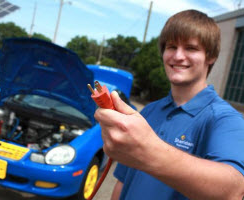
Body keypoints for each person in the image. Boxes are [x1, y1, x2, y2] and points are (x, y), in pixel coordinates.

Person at [94, 9, 244, 200]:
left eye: (191, 48)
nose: (178, 56)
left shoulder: (225, 119)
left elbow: (234, 189)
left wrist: (148, 151)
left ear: (211, 56)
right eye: (172, 47)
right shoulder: (148, 111)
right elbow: (122, 183)